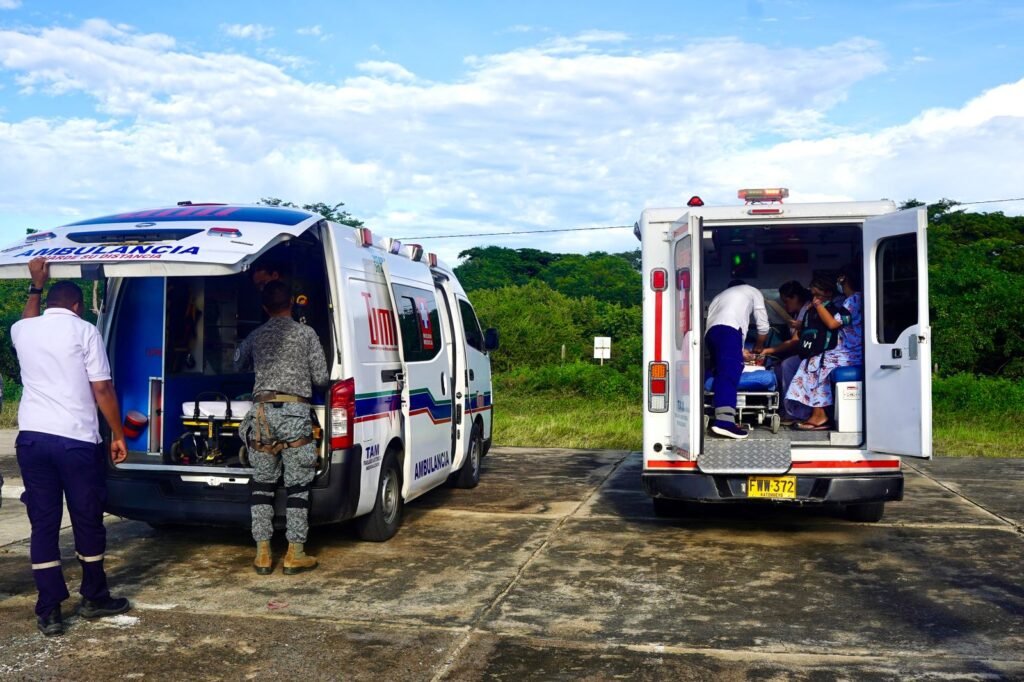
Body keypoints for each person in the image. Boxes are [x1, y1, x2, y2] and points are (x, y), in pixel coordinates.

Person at [11, 257, 131, 637]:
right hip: (76, 440)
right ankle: (94, 595)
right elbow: (102, 388)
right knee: (86, 518)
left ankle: (49, 610)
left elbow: (31, 315)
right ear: (78, 306)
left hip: (32, 439)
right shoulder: (85, 331)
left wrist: (36, 283)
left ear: (47, 303)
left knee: (43, 524)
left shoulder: (22, 330)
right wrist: (118, 434)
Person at [235, 280, 329, 574]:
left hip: (261, 415)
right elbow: (322, 378)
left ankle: (262, 554)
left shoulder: (256, 335)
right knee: (298, 485)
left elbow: (237, 363)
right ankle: (295, 553)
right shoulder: (306, 334)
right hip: (295, 414)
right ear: (292, 302)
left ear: (264, 307)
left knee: (262, 485)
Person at [785, 269, 863, 430]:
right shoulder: (849, 299)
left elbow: (832, 324)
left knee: (814, 364)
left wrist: (818, 306)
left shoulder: (854, 299)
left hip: (849, 351)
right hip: (844, 349)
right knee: (810, 363)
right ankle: (814, 412)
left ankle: (819, 414)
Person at [705, 279, 770, 439]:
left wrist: (739, 352)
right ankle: (724, 422)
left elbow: (717, 323)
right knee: (729, 373)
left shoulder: (719, 297)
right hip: (729, 331)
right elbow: (763, 324)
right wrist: (759, 346)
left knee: (717, 371)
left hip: (711, 334)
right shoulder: (752, 290)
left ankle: (711, 412)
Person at [760, 281, 813, 425]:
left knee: (787, 365)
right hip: (802, 353)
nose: (785, 305)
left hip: (811, 354)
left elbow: (796, 341)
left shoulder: (806, 310)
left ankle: (796, 412)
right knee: (778, 368)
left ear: (796, 297)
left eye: (787, 301)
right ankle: (785, 409)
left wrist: (769, 350)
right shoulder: (797, 313)